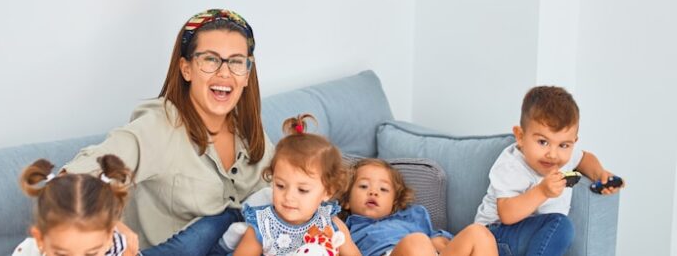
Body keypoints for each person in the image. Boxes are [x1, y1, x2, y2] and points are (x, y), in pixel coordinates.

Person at [62, 9, 274, 255]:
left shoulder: (250, 131)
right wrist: (111, 227)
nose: (224, 73)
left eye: (236, 61)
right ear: (186, 69)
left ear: (247, 74)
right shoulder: (158, 127)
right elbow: (67, 183)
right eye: (210, 59)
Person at [475, 86, 624, 255]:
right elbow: (507, 214)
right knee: (560, 225)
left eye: (563, 145)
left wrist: (599, 174)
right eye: (543, 142)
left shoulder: (564, 156)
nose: (553, 155)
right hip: (493, 237)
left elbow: (585, 158)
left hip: (532, 238)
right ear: (520, 136)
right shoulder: (511, 165)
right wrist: (542, 191)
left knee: (560, 228)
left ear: (573, 142)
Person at [233, 114, 362, 256]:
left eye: (302, 190)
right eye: (280, 186)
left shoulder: (330, 224)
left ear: (328, 192)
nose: (288, 196)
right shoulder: (264, 226)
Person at [341, 158, 497, 256]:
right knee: (416, 242)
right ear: (347, 200)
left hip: (430, 251)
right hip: (397, 251)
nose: (373, 192)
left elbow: (441, 239)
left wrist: (439, 240)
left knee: (478, 233)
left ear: (394, 202)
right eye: (363, 186)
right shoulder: (345, 228)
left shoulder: (414, 216)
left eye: (383, 189)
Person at [12, 154, 135, 256]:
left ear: (109, 238)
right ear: (40, 239)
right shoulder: (27, 252)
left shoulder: (119, 248)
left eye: (91, 254)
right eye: (62, 255)